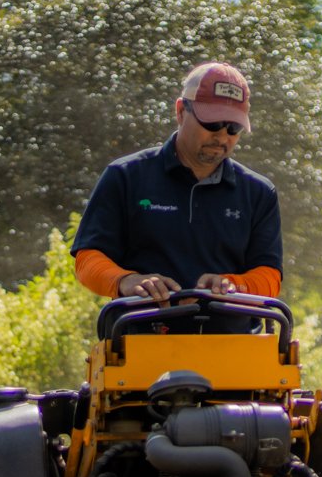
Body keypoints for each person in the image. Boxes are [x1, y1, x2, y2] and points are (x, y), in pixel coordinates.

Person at [71, 62, 283, 306]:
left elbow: (270, 276)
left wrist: (231, 285)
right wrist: (126, 281)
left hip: (232, 339)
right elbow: (87, 259)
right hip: (141, 336)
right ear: (181, 111)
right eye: (212, 123)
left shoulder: (259, 193)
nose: (222, 136)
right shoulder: (125, 176)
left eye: (233, 127)